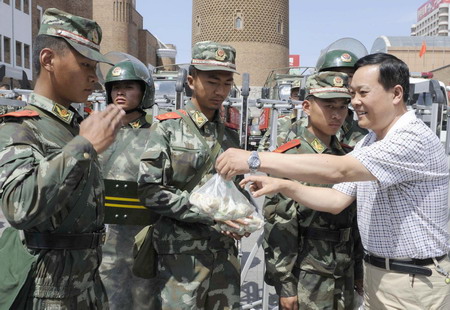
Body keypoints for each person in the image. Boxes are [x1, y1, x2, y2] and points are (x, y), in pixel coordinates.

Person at [216, 53, 450, 310]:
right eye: (353, 94)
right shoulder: (370, 141)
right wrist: (286, 186)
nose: (355, 103)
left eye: (362, 93)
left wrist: (254, 159)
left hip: (412, 282)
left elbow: (341, 171)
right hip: (377, 274)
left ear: (396, 94)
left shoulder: (411, 138)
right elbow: (337, 199)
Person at [0, 8, 126, 308]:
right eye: (84, 65)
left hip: (87, 283)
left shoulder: (70, 126)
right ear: (48, 60)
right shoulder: (20, 127)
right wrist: (83, 146)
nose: (94, 79)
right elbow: (19, 207)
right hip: (48, 292)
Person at [137, 40, 250, 309]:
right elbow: (149, 190)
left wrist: (242, 214)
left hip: (224, 255)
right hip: (182, 259)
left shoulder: (231, 136)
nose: (220, 90)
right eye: (212, 81)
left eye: (226, 83)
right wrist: (207, 212)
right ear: (191, 80)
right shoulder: (167, 129)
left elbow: (234, 191)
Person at [263, 71, 363, 310]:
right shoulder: (291, 157)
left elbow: (356, 221)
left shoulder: (348, 156)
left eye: (342, 106)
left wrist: (358, 270)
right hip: (307, 274)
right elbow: (279, 225)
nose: (337, 114)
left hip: (344, 270)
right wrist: (285, 285)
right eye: (329, 106)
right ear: (307, 107)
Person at [99, 59, 156, 309]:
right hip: (103, 235)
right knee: (107, 297)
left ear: (144, 91)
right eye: (115, 87)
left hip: (142, 236)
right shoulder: (95, 130)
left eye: (129, 86)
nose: (120, 92)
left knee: (144, 296)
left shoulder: (158, 132)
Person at [316, 48, 368, 147]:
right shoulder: (296, 128)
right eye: (336, 75)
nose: (344, 81)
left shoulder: (363, 131)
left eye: (350, 76)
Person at [258, 79, 303, 152]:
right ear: (290, 98)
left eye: (305, 95)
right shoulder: (280, 123)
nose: (301, 99)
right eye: (296, 95)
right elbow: (263, 149)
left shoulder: (317, 125)